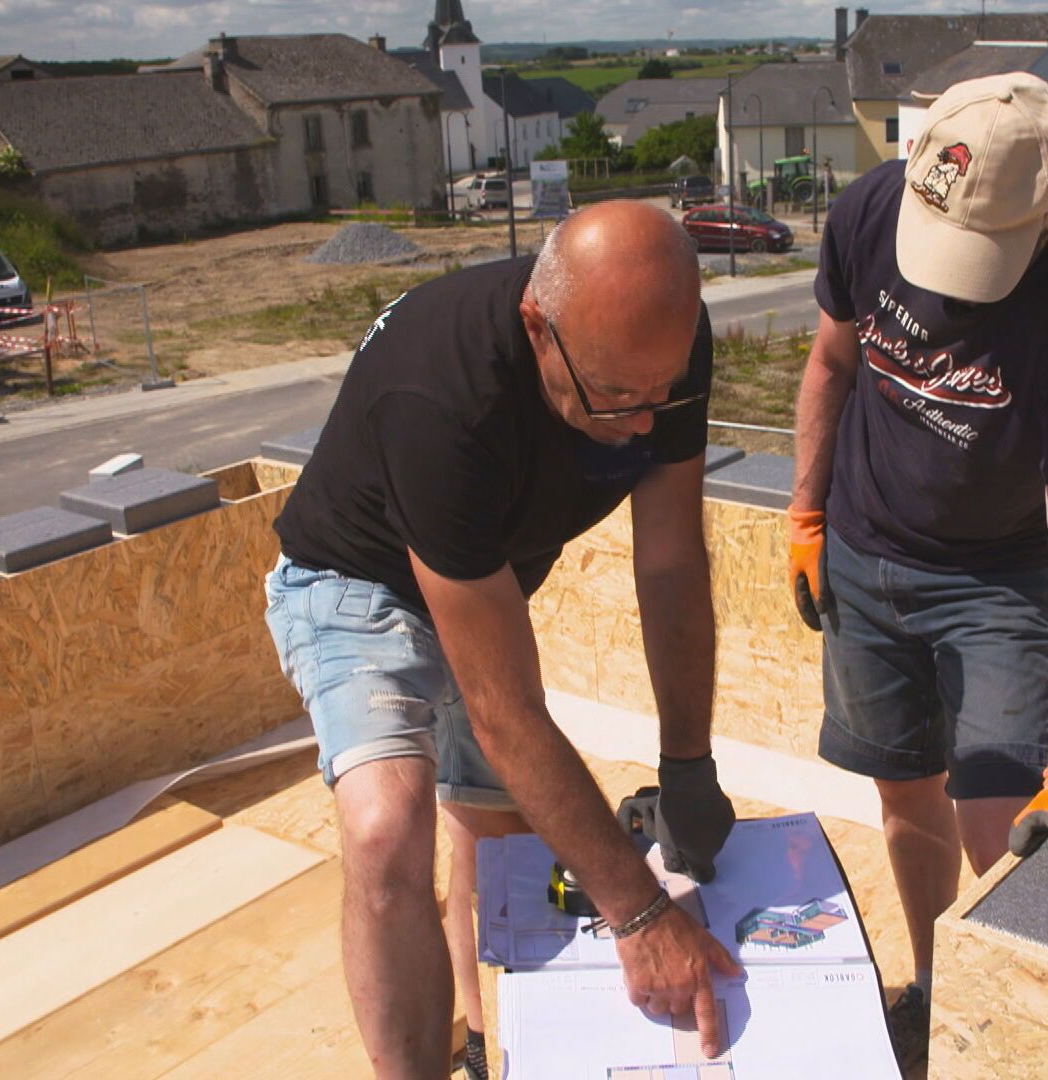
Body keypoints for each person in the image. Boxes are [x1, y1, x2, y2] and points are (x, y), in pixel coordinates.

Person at [266, 201, 741, 1080]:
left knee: (498, 841)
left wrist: (687, 763)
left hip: (487, 579)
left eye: (660, 395)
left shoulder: (654, 345)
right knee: (386, 823)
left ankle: (486, 1044)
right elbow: (502, 710)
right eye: (616, 398)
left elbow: (671, 562)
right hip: (357, 581)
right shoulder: (443, 398)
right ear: (539, 328)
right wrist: (639, 917)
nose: (644, 423)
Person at [787, 73, 1048, 1069]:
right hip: (864, 555)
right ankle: (934, 991)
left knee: (1004, 831)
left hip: (998, 584)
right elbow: (830, 367)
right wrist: (807, 513)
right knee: (907, 802)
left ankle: (1003, 1041)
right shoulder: (873, 208)